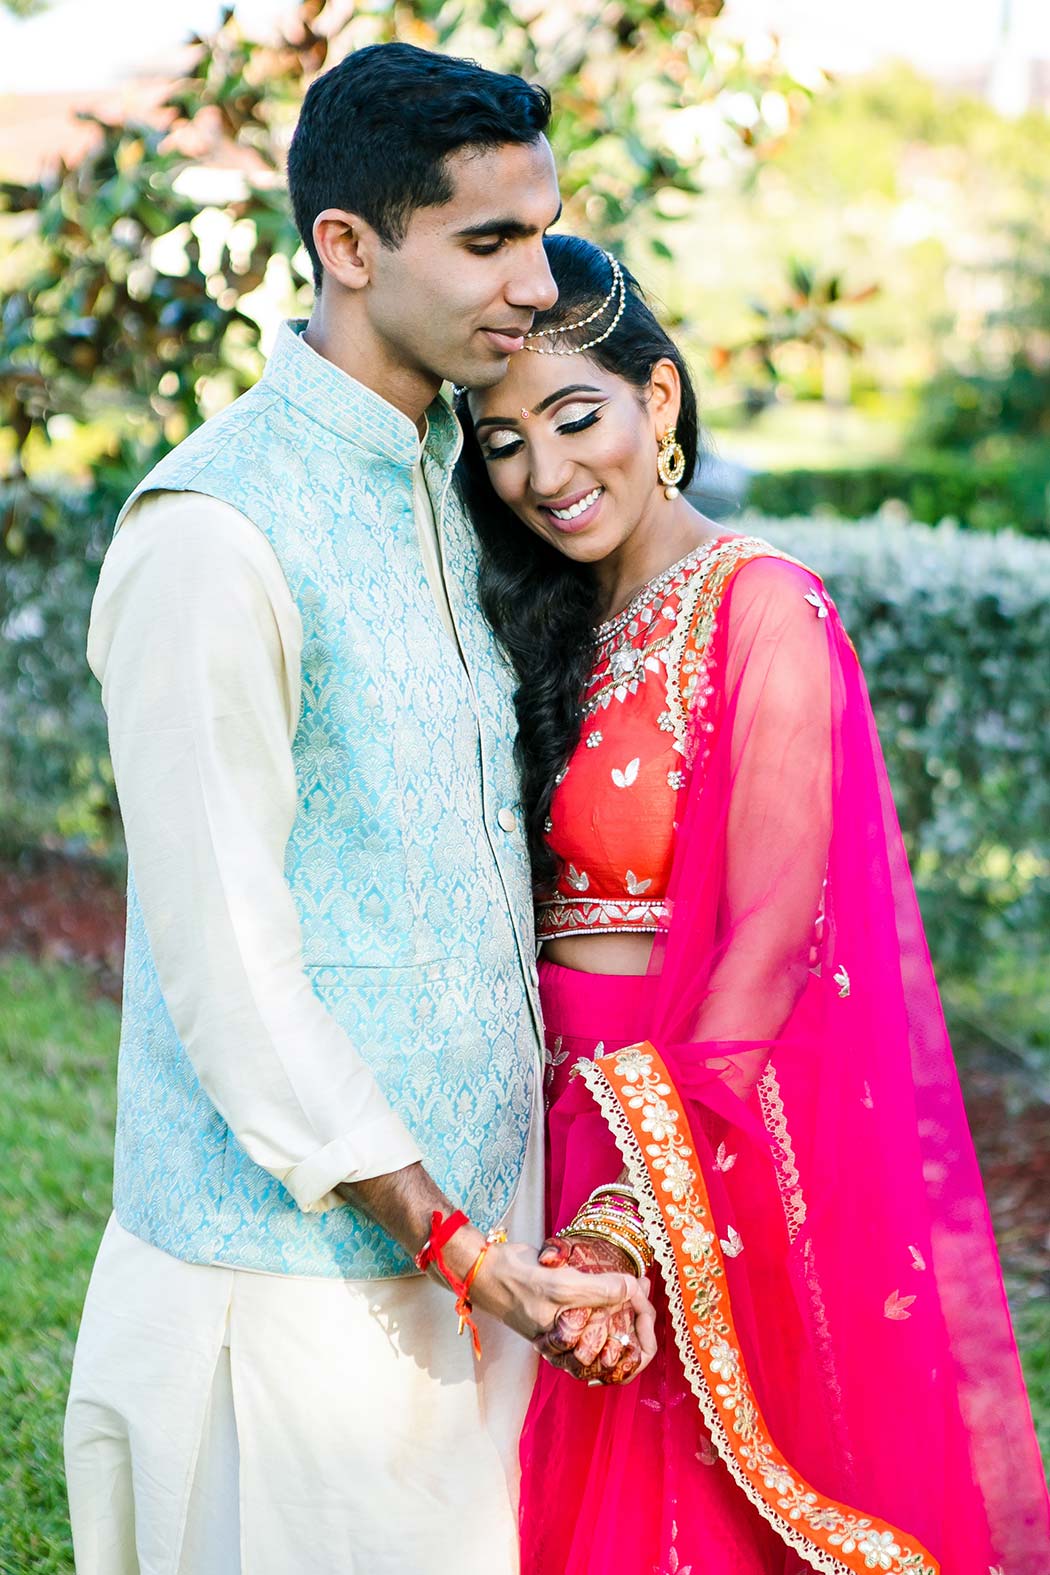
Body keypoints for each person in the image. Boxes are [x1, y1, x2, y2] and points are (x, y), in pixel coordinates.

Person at [64, 49, 656, 1575]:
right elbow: (223, 959)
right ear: (346, 246)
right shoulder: (216, 533)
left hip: (475, 1273)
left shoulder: (461, 491)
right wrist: (448, 1239)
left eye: (539, 231)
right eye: (485, 242)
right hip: (291, 1304)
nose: (535, 283)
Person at [458, 233, 1050, 1575]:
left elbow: (771, 942)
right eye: (501, 443)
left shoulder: (761, 608)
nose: (546, 474)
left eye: (573, 416)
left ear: (656, 401)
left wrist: (629, 1205)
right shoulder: (542, 620)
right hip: (521, 1123)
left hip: (677, 1136)